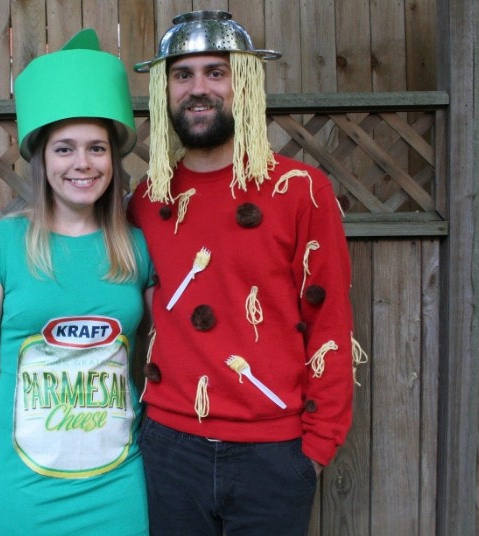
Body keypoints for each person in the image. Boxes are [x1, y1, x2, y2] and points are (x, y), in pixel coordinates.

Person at [128, 10, 361, 535]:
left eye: (217, 71)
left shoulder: (301, 191)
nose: (198, 88)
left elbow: (329, 321)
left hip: (274, 455)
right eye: (182, 75)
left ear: (246, 83)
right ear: (165, 91)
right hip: (168, 448)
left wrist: (316, 449)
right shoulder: (145, 201)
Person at [0, 29, 152, 536]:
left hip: (118, 485)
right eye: (65, 148)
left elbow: (168, 352)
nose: (82, 164)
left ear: (113, 158)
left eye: (96, 148)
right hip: (20, 489)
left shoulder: (137, 247)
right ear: (42, 159)